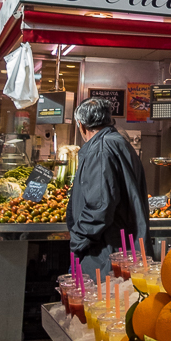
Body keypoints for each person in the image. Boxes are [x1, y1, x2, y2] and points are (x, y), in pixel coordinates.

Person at [66, 97, 150, 278]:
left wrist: (78, 240)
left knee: (99, 303)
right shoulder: (119, 142)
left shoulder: (100, 149)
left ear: (81, 125)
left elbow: (100, 205)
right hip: (119, 247)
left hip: (103, 253)